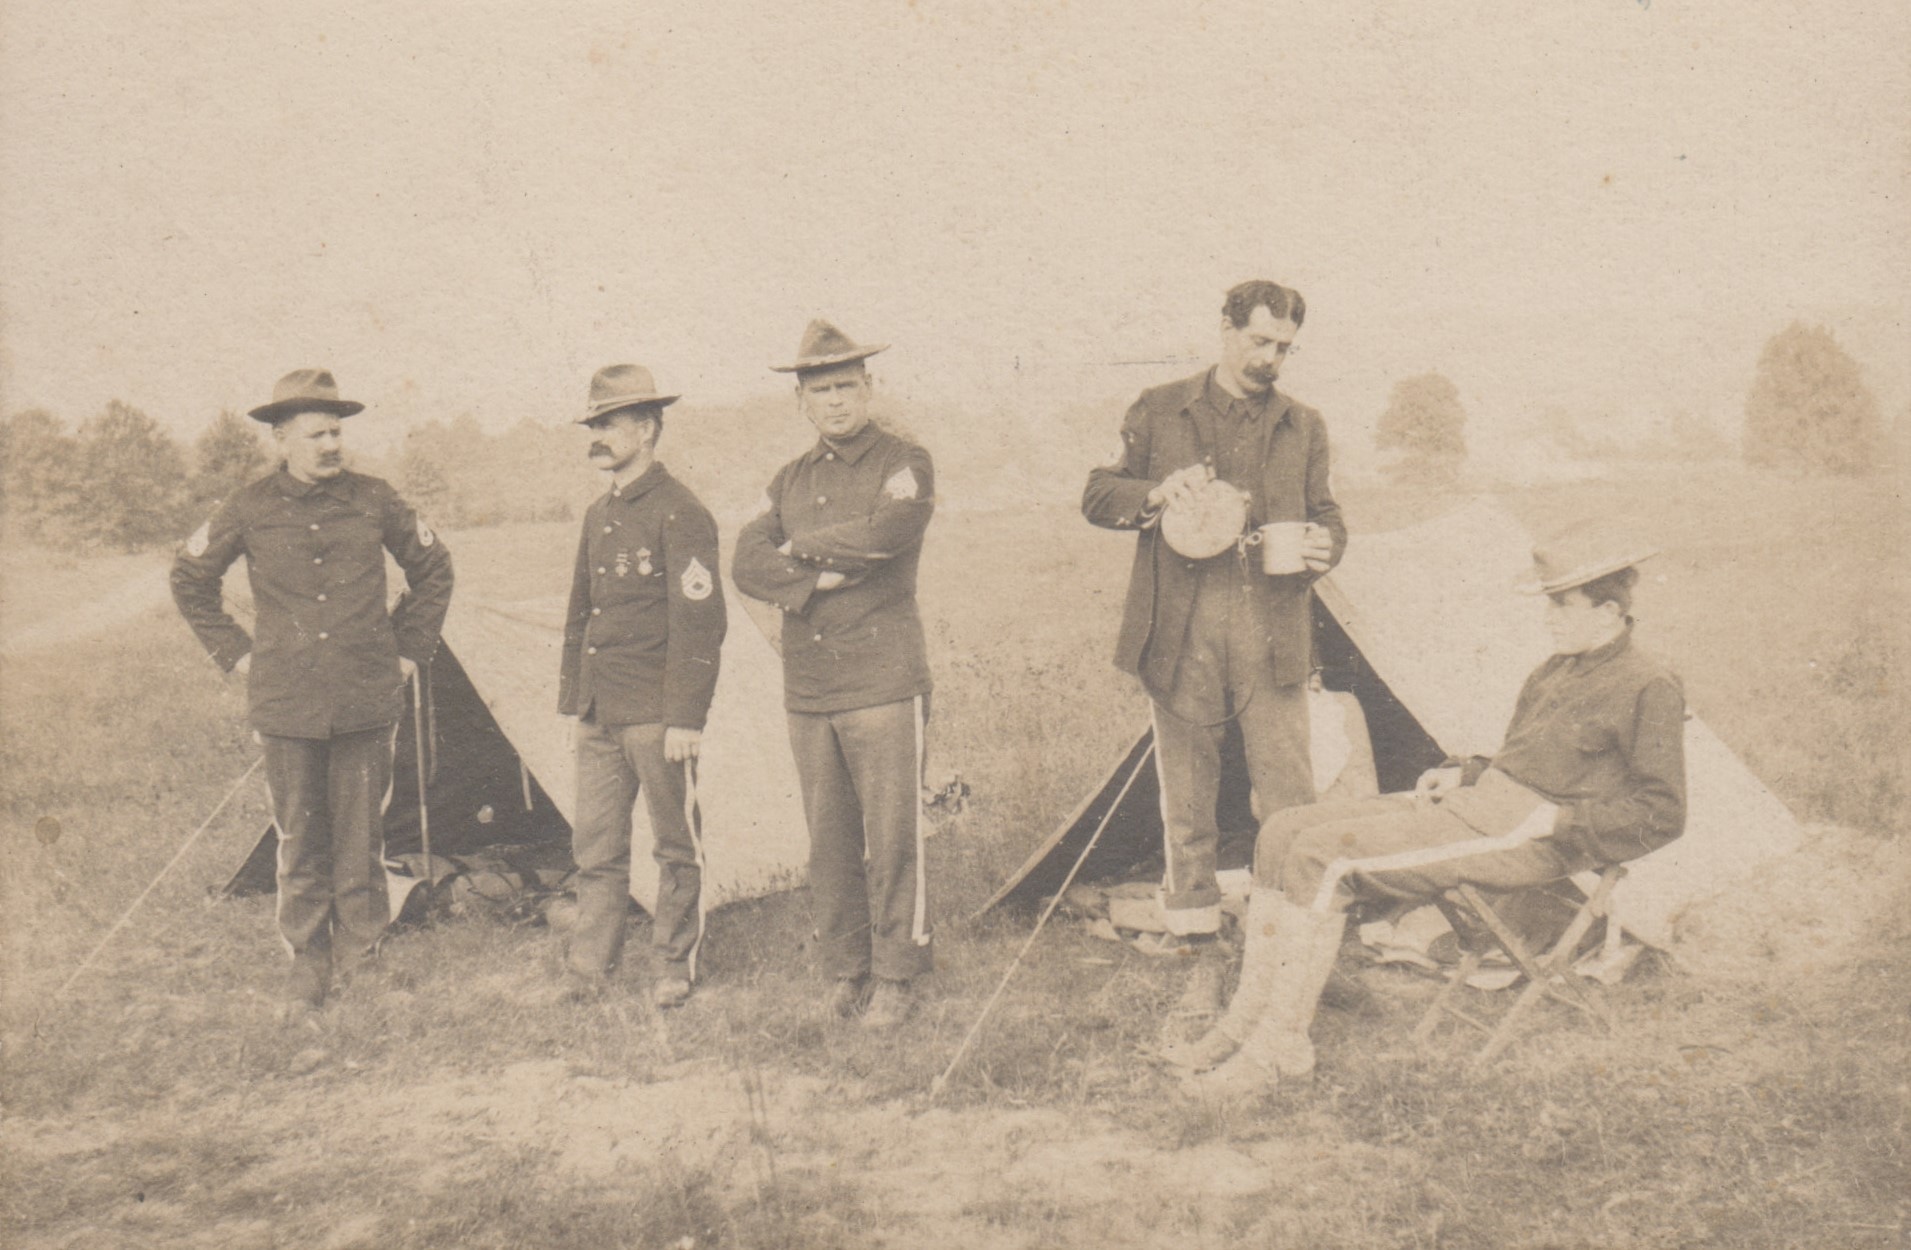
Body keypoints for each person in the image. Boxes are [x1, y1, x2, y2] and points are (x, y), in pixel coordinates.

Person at [1166, 522, 1687, 1097]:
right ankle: (1243, 1022)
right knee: (1283, 831)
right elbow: (1528, 757)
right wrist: (1466, 772)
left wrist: (1560, 822)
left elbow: (1663, 812)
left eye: (1562, 605)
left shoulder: (1648, 684)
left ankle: (1278, 1047)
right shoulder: (1556, 669)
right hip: (1482, 804)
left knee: (1322, 858)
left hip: (1530, 835)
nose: (1549, 618)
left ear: (1609, 611)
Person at [171, 368, 454, 1016]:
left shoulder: (376, 498)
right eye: (316, 435)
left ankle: (362, 953)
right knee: (298, 835)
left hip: (364, 695)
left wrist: (408, 650)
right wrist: (237, 655)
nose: (331, 445)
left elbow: (435, 567)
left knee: (362, 836)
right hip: (288, 701)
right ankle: (308, 958)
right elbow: (188, 578)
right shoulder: (248, 507)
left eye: (336, 433)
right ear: (280, 439)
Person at [1082, 280, 1347, 945]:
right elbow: (1098, 494)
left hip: (1271, 630)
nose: (1270, 359)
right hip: (1182, 627)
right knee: (1189, 793)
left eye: (1283, 348)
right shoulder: (1160, 408)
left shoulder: (1303, 425)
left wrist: (1326, 544)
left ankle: (1292, 932)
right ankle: (1193, 927)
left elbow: (1326, 515)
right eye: (1259, 341)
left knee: (1288, 792)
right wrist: (1154, 493)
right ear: (1226, 330)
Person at [732, 319, 935, 1028]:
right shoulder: (788, 479)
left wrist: (795, 550)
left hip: (882, 678)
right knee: (829, 839)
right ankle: (846, 970)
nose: (836, 401)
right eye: (821, 391)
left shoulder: (904, 462)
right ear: (801, 402)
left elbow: (885, 535)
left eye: (846, 386)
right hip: (810, 684)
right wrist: (814, 578)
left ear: (869, 388)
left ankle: (898, 975)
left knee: (894, 835)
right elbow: (745, 561)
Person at [557, 364, 726, 1008]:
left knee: (675, 845)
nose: (597, 436)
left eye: (610, 423)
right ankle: (589, 968)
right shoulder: (598, 513)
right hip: (600, 710)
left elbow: (700, 624)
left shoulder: (681, 512)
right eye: (593, 425)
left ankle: (673, 965)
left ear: (649, 429)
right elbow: (582, 613)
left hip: (657, 713)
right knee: (596, 846)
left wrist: (686, 717)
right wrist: (575, 703)